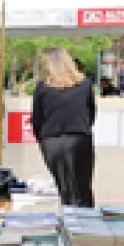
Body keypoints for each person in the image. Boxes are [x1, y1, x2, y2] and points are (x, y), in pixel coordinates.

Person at [30, 47, 96, 207]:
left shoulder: (42, 88)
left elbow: (37, 119)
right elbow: (91, 113)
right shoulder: (85, 85)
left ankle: (68, 219)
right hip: (79, 139)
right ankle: (86, 223)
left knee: (64, 188)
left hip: (51, 141)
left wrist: (42, 140)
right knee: (82, 188)